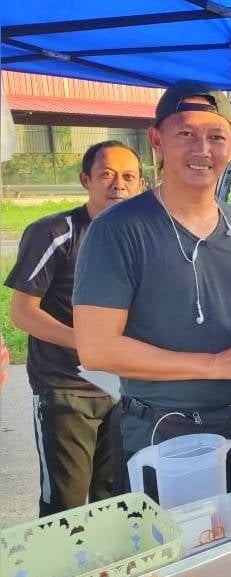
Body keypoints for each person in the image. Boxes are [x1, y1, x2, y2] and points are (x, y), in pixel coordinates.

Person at [73, 80, 231, 498]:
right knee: (178, 558)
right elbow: (97, 349)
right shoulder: (117, 230)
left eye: (216, 136)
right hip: (164, 430)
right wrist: (215, 363)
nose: (202, 149)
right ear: (157, 140)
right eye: (185, 133)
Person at [5, 140, 144, 516]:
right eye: (107, 175)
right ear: (86, 179)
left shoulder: (141, 239)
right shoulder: (55, 233)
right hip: (66, 389)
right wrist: (89, 345)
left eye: (129, 176)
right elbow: (22, 312)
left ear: (142, 185)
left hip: (126, 388)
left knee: (114, 498)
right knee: (64, 505)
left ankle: (108, 575)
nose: (119, 185)